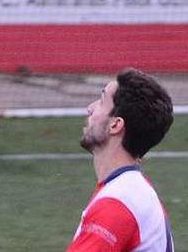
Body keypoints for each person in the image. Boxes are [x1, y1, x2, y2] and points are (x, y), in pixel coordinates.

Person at [66, 68, 175, 252]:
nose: (90, 108)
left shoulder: (117, 203)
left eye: (101, 101)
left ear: (115, 125)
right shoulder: (130, 192)